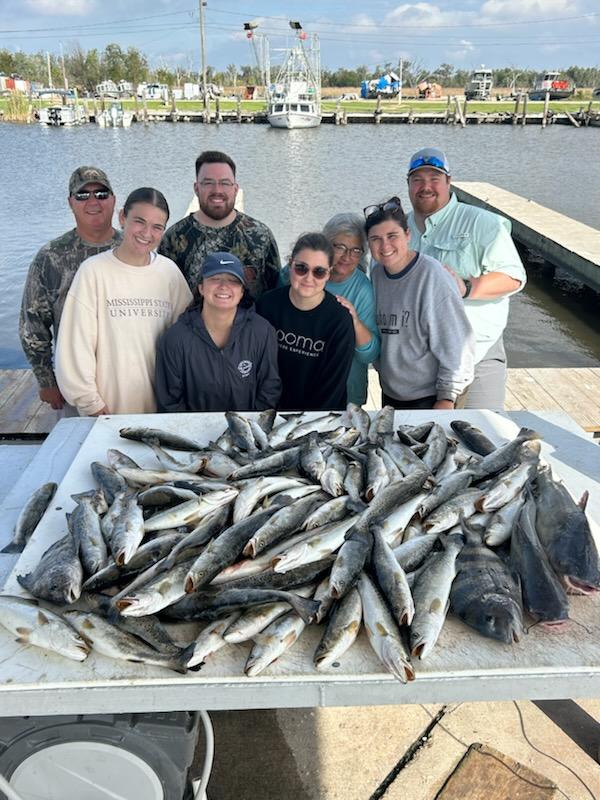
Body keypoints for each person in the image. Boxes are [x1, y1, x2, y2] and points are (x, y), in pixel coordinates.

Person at [405, 147, 526, 411]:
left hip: (477, 355)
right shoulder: (399, 231)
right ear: (408, 185)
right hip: (420, 362)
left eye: (434, 178)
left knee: (482, 437)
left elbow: (514, 277)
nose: (426, 186)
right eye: (417, 179)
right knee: (417, 444)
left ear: (449, 181)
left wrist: (467, 287)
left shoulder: (483, 223)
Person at [55, 188, 192, 416]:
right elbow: (75, 346)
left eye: (157, 227)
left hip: (162, 410)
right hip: (106, 410)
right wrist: (91, 403)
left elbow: (188, 340)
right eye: (139, 222)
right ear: (122, 218)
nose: (147, 233)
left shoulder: (169, 274)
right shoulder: (94, 272)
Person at [19, 166, 121, 411]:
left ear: (114, 199)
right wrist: (46, 380)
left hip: (126, 378)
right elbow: (33, 324)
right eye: (82, 195)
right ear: (70, 203)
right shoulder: (50, 257)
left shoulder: (132, 249)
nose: (93, 201)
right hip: (74, 383)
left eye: (101, 194)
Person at [366, 197, 474, 409]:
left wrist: (447, 397)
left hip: (433, 395)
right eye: (375, 239)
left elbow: (458, 343)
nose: (385, 246)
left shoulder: (433, 277)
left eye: (392, 236)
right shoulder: (378, 272)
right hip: (392, 393)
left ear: (408, 235)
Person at [155, 252, 281, 412]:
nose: (223, 286)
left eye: (233, 281)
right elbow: (170, 402)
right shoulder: (175, 338)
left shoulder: (262, 332)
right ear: (201, 287)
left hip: (247, 431)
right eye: (215, 279)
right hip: (192, 433)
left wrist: (248, 429)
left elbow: (269, 390)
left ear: (242, 291)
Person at [279, 214, 380, 407]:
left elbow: (370, 355)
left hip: (345, 393)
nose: (347, 256)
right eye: (339, 247)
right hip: (292, 389)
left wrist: (355, 323)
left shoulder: (362, 290)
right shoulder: (296, 273)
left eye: (356, 250)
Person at [159, 150, 281, 300]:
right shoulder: (174, 238)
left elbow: (276, 295)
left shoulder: (260, 235)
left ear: (235, 189)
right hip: (191, 323)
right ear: (196, 188)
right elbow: (164, 297)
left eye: (224, 183)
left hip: (251, 322)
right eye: (208, 183)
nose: (217, 190)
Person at [256, 233, 355, 411]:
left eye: (319, 271)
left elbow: (334, 386)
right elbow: (255, 366)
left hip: (319, 417)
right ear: (290, 264)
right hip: (270, 412)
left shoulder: (339, 320)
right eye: (302, 268)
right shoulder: (267, 305)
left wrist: (308, 426)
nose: (309, 278)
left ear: (328, 274)